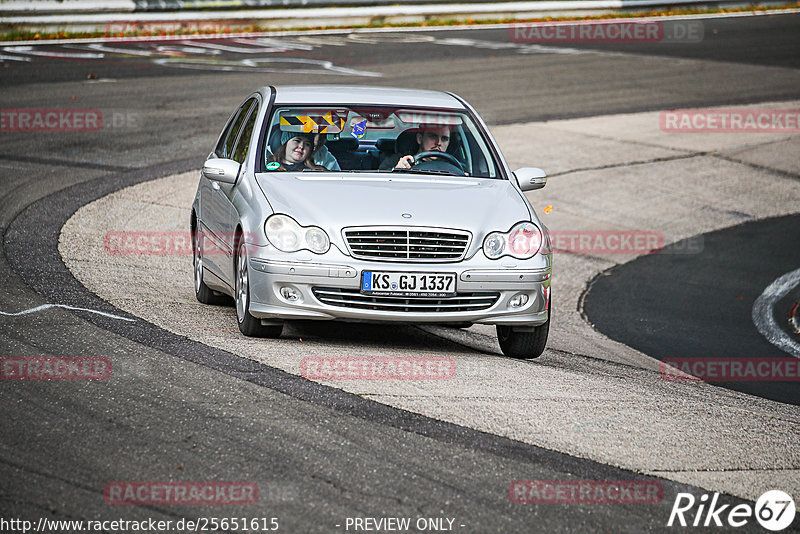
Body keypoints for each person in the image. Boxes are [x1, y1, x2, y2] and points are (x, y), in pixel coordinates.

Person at [379, 125, 451, 170]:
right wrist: (397, 170)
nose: (438, 143)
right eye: (432, 137)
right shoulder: (396, 161)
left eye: (444, 139)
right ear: (420, 139)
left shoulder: (455, 167)